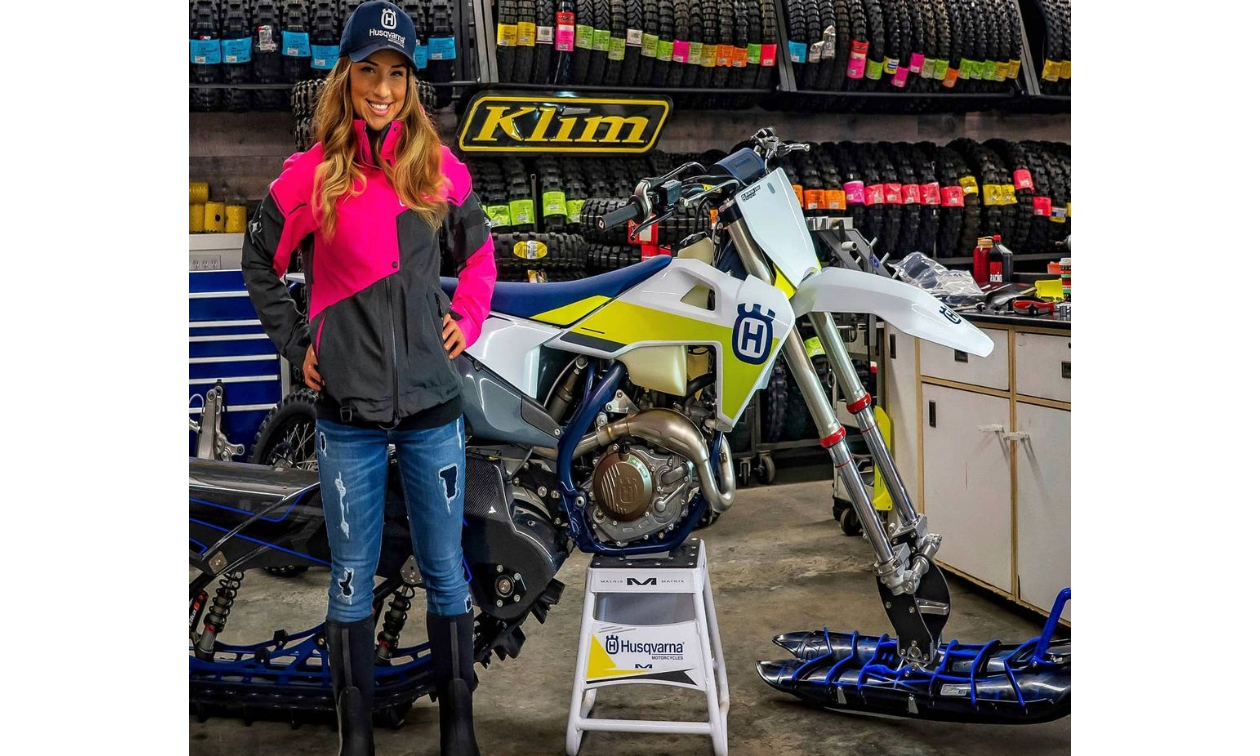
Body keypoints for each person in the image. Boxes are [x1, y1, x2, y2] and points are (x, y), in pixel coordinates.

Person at [241, 3, 495, 754]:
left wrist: (469, 318)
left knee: (446, 571)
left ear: (410, 84)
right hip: (345, 410)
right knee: (350, 574)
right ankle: (356, 743)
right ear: (345, 77)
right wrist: (297, 340)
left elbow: (479, 257)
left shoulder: (438, 170)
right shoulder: (309, 177)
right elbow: (258, 262)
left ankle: (460, 732)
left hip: (431, 406)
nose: (382, 87)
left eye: (396, 73)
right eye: (368, 71)